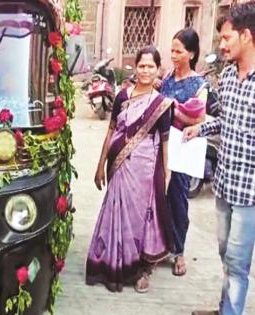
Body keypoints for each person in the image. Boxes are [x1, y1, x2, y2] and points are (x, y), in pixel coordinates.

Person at [184, 3, 255, 315]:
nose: (222, 44)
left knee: (239, 264)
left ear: (247, 36)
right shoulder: (226, 77)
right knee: (226, 254)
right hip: (224, 185)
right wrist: (200, 128)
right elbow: (226, 122)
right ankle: (225, 306)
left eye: (227, 38)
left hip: (249, 194)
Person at [86, 46, 174, 294]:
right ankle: (110, 265)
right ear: (135, 68)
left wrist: (165, 175)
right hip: (119, 166)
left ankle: (139, 270)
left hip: (145, 172)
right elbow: (111, 130)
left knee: (139, 221)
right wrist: (100, 164)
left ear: (158, 69)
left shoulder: (161, 104)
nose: (146, 71)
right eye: (142, 66)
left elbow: (165, 143)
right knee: (115, 213)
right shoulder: (123, 97)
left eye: (151, 66)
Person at [160, 28, 207, 277]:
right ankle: (157, 247)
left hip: (183, 148)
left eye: (178, 51)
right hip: (162, 147)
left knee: (178, 199)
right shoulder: (167, 78)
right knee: (159, 198)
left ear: (190, 53)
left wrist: (172, 109)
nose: (174, 55)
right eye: (172, 50)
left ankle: (178, 252)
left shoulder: (199, 84)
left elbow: (198, 117)